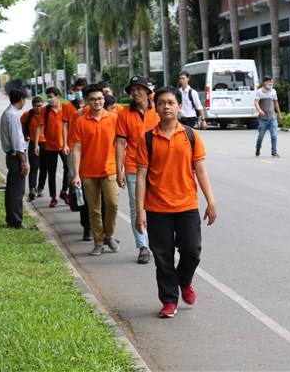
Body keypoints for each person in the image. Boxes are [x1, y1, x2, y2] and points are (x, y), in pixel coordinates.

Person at [135, 86, 217, 318]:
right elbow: (141, 176)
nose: (166, 107)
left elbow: (201, 170)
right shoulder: (147, 139)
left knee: (192, 251)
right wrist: (140, 211)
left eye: (171, 103)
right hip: (157, 208)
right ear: (156, 108)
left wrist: (210, 201)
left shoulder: (190, 135)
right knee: (163, 258)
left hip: (186, 205)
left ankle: (184, 281)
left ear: (180, 107)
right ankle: (169, 301)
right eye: (161, 103)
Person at [72, 84, 120, 256]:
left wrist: (120, 169)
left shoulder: (114, 119)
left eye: (100, 99)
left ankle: (110, 235)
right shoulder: (80, 122)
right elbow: (77, 149)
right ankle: (98, 241)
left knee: (113, 204)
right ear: (87, 101)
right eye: (93, 99)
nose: (97, 102)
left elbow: (121, 146)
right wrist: (76, 174)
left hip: (110, 169)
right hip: (88, 172)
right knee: (94, 209)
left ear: (104, 99)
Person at [116, 76, 160, 264]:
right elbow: (120, 143)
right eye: (133, 90)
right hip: (134, 167)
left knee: (158, 206)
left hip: (158, 167)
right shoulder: (124, 114)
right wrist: (119, 170)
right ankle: (143, 246)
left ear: (147, 91)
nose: (136, 93)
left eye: (139, 89)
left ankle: (158, 242)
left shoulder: (158, 110)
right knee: (137, 207)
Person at [62, 78, 93, 241]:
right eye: (78, 90)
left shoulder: (106, 114)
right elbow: (66, 127)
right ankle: (87, 227)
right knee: (81, 188)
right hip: (78, 151)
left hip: (98, 159)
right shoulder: (75, 111)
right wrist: (65, 144)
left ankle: (104, 231)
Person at [34, 87, 70, 207]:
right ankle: (53, 197)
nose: (49, 99)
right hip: (50, 146)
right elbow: (39, 126)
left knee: (68, 168)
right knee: (52, 172)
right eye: (48, 97)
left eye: (51, 97)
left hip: (64, 145)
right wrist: (36, 144)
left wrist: (68, 144)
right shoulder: (45, 110)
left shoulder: (66, 108)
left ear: (58, 96)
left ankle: (64, 191)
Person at [0, 89, 29, 229]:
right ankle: (16, 221)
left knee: (13, 189)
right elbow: (16, 142)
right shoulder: (12, 115)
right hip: (15, 156)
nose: (25, 102)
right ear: (21, 99)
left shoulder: (9, 113)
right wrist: (23, 161)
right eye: (25, 100)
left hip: (13, 155)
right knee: (17, 191)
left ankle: (12, 219)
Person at [21, 96, 47, 201]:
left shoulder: (46, 114)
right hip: (33, 143)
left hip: (46, 144)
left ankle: (40, 187)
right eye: (35, 106)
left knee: (44, 168)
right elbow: (22, 123)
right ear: (32, 106)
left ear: (42, 105)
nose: (38, 108)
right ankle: (32, 189)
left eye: (40, 106)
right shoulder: (28, 114)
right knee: (34, 166)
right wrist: (25, 134)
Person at [254, 75, 282, 158]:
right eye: (270, 82)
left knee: (274, 135)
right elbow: (256, 103)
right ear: (265, 82)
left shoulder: (273, 91)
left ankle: (274, 151)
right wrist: (260, 110)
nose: (271, 83)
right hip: (263, 119)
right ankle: (258, 148)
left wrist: (279, 114)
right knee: (261, 136)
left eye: (272, 82)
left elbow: (276, 103)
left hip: (272, 117)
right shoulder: (259, 92)